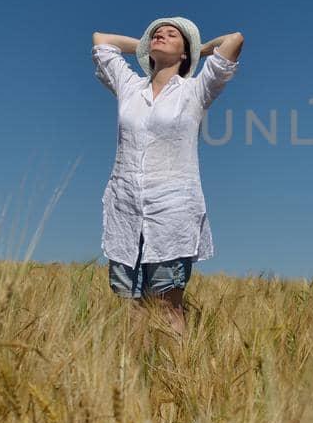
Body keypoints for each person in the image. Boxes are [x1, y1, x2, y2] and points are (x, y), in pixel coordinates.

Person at [91, 18, 244, 337]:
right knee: (131, 309)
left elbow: (234, 40)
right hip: (127, 215)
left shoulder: (196, 90)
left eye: (171, 34)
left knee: (166, 306)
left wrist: (199, 50)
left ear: (185, 54)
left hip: (171, 216)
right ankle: (135, 382)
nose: (160, 35)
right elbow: (101, 39)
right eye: (156, 34)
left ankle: (177, 380)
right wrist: (146, 47)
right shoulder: (130, 87)